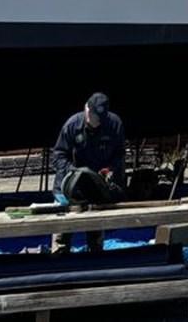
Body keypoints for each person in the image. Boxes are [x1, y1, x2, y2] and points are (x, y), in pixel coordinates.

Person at [51, 92, 126, 253]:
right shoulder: (72, 125)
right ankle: (59, 262)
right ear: (87, 110)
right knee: (62, 234)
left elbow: (120, 154)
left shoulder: (114, 124)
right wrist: (73, 172)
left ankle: (96, 261)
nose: (97, 122)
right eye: (95, 117)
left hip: (96, 186)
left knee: (96, 232)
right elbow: (58, 156)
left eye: (101, 119)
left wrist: (111, 169)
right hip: (68, 187)